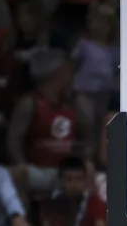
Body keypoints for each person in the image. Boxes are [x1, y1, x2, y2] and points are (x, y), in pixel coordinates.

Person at [8, 49, 83, 201]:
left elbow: (84, 138)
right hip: (39, 170)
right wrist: (20, 163)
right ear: (56, 74)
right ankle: (23, 221)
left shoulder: (72, 104)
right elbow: (13, 139)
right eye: (67, 71)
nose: (71, 76)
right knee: (16, 175)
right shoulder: (30, 103)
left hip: (68, 171)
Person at [71, 0, 119, 145]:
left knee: (100, 124)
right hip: (84, 91)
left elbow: (117, 71)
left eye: (103, 23)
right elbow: (73, 65)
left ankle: (98, 153)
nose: (98, 26)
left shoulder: (114, 50)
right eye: (95, 21)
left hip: (104, 93)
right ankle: (87, 153)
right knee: (87, 122)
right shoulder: (84, 45)